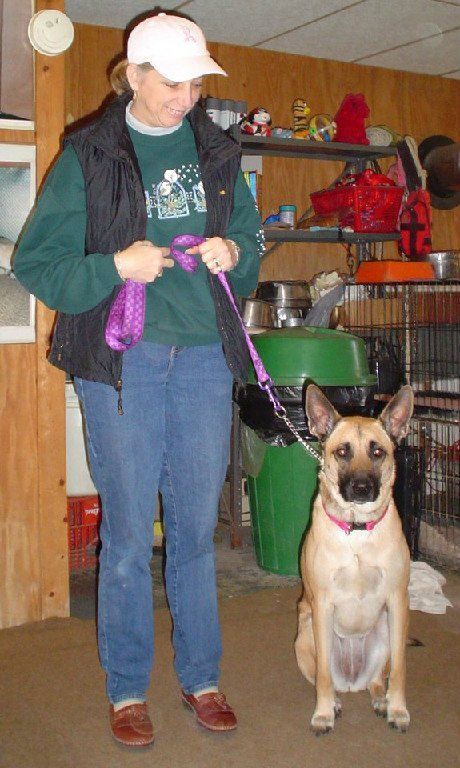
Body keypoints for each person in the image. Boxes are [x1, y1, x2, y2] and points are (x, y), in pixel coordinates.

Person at [14, 11, 264, 748]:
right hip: (125, 362)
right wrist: (114, 266)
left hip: (204, 361)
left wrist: (232, 251)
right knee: (127, 535)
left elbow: (252, 245)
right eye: (173, 82)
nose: (186, 97)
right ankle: (127, 689)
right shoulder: (88, 154)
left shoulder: (217, 152)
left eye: (196, 82)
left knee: (191, 531)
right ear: (135, 75)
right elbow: (37, 264)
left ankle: (202, 676)